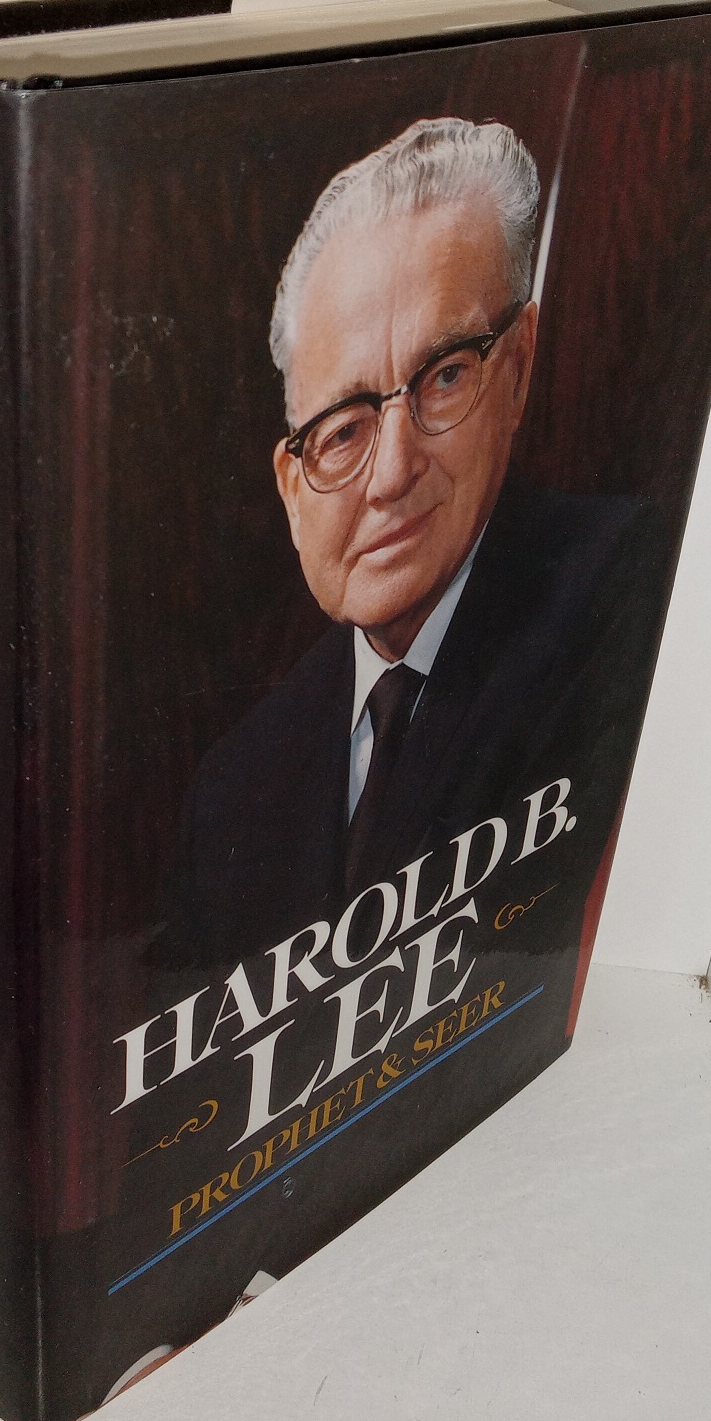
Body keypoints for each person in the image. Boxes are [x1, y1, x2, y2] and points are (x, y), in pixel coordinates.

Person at [170, 116, 669, 971]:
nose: (393, 472)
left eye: (444, 377)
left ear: (518, 368)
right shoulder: (231, 791)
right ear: (292, 490)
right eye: (343, 429)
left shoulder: (628, 595)